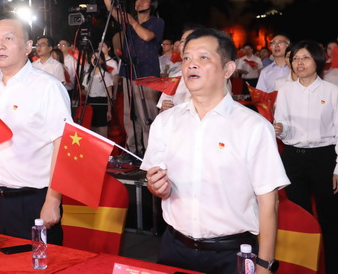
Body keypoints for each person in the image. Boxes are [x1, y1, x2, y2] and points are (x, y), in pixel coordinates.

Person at [142, 28, 289, 274]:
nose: (191, 64)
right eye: (187, 58)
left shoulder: (253, 127)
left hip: (231, 254)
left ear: (228, 69)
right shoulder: (165, 122)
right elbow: (155, 182)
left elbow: (269, 202)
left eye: (203, 57)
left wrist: (264, 265)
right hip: (174, 247)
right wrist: (156, 187)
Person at [0, 12, 71, 245]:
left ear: (27, 47)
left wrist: (53, 201)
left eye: (8, 38)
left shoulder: (47, 87)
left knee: (35, 263)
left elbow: (63, 145)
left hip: (32, 200)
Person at [273, 40, 338, 273]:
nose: (299, 63)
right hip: (293, 158)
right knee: (300, 216)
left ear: (318, 61)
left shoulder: (332, 91)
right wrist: (280, 128)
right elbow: (283, 124)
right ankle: (303, 268)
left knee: (329, 216)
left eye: (305, 57)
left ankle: (331, 266)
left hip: (324, 158)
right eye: (296, 58)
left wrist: (337, 168)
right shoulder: (285, 91)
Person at [103, 0, 164, 157]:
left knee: (147, 115)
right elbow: (110, 8)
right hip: (129, 71)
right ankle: (132, 151)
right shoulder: (129, 20)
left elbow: (147, 36)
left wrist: (132, 22)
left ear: (152, 4)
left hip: (147, 74)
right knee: (130, 115)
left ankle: (151, 153)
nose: (140, 1)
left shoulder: (157, 22)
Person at [82, 51, 113, 138]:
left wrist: (109, 110)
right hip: (91, 104)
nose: (94, 60)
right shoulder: (88, 75)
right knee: (92, 132)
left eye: (97, 57)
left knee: (102, 133)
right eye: (92, 57)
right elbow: (86, 92)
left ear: (102, 60)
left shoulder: (106, 75)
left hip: (102, 104)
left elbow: (109, 95)